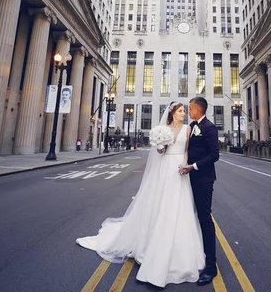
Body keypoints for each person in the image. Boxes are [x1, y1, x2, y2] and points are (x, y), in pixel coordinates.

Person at [76, 102, 205, 288]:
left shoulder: (188, 129)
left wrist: (185, 165)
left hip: (179, 169)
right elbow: (160, 152)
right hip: (164, 168)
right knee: (161, 205)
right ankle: (151, 244)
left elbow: (186, 152)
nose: (184, 113)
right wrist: (160, 145)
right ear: (172, 113)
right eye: (180, 111)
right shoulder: (164, 129)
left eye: (185, 110)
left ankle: (182, 253)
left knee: (180, 207)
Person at [179, 96, 220, 286]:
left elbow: (214, 155)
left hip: (203, 180)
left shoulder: (210, 128)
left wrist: (193, 166)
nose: (189, 110)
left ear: (199, 109)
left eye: (191, 108)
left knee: (204, 218)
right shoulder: (193, 126)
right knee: (190, 217)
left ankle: (211, 266)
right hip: (189, 178)